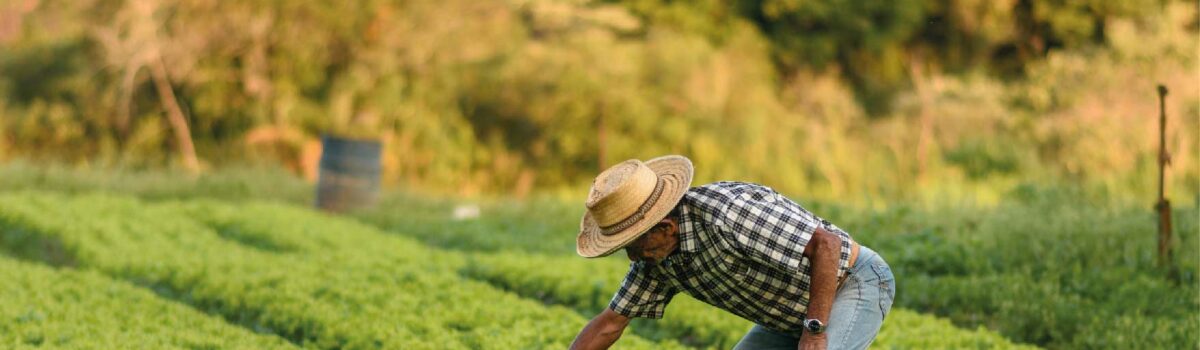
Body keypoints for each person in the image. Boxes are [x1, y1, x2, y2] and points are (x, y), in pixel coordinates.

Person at [570, 155, 895, 350]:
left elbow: (827, 245)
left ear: (665, 227)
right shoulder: (657, 258)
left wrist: (814, 330)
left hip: (850, 282)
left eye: (634, 246)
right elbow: (610, 324)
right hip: (787, 310)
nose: (632, 258)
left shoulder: (729, 214)